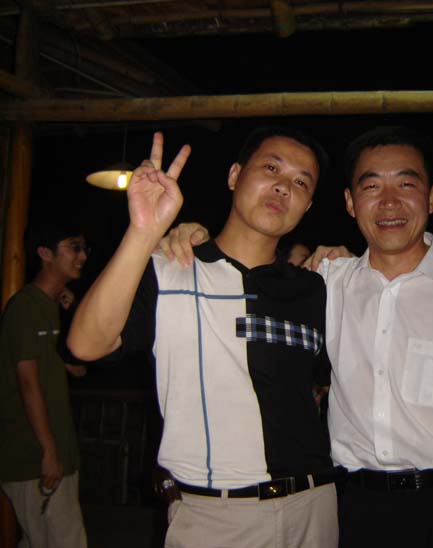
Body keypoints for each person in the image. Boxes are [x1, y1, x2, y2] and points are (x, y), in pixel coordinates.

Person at [163, 126, 433, 548]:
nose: (388, 202)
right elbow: (251, 271)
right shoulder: (327, 281)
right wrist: (188, 234)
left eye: (406, 184)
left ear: (432, 197)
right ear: (351, 203)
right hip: (352, 507)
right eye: (371, 186)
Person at [67, 127, 341, 548]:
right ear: (234, 175)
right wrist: (143, 231)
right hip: (216, 516)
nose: (284, 187)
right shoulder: (170, 269)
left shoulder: (315, 289)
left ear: (307, 206)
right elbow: (86, 345)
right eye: (271, 168)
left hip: (314, 506)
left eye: (301, 182)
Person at [0, 217, 89, 548]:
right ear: (44, 253)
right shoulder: (24, 306)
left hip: (56, 450)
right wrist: (48, 452)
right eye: (74, 247)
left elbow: (77, 367)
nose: (82, 256)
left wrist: (72, 311)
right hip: (32, 454)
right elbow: (28, 384)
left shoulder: (53, 305)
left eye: (84, 248)